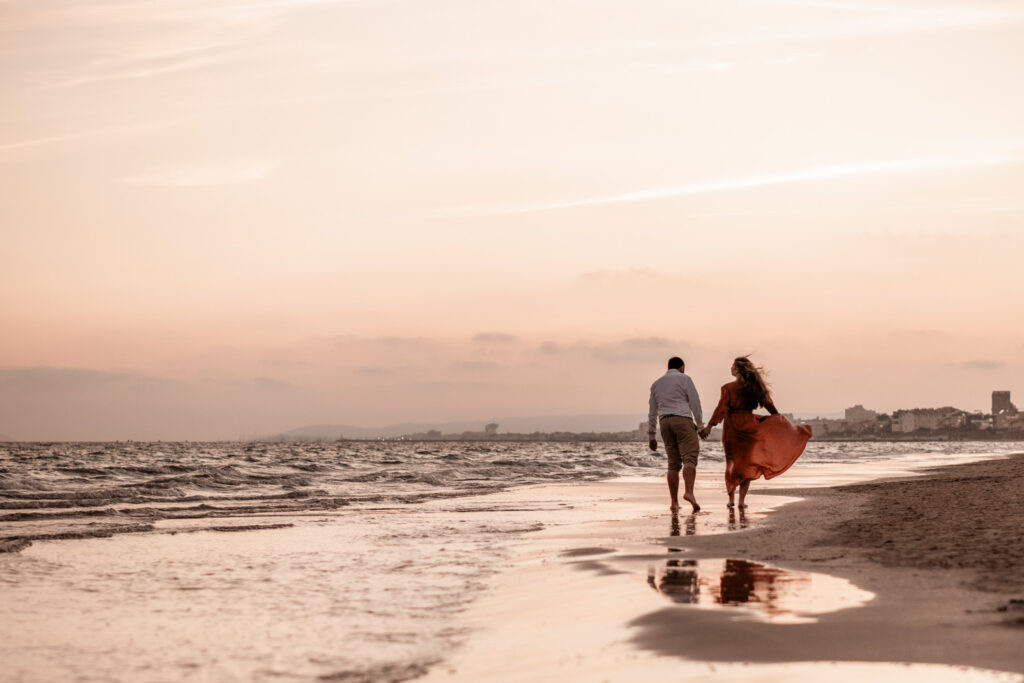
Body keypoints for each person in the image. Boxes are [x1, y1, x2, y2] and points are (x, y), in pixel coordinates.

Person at [699, 356, 811, 508]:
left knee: (731, 462)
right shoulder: (754, 388)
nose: (730, 368)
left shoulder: (727, 388)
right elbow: (770, 406)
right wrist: (778, 420)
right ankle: (741, 502)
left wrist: (710, 426)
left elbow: (721, 409)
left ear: (738, 369)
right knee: (747, 463)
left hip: (732, 428)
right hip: (750, 427)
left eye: (732, 366)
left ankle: (731, 500)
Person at [648, 356, 706, 512]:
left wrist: (651, 435)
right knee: (690, 457)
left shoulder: (656, 384)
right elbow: (695, 403)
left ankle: (674, 502)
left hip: (664, 423)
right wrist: (700, 426)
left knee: (673, 463)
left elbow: (652, 411)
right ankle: (689, 492)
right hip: (682, 420)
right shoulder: (685, 379)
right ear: (681, 367)